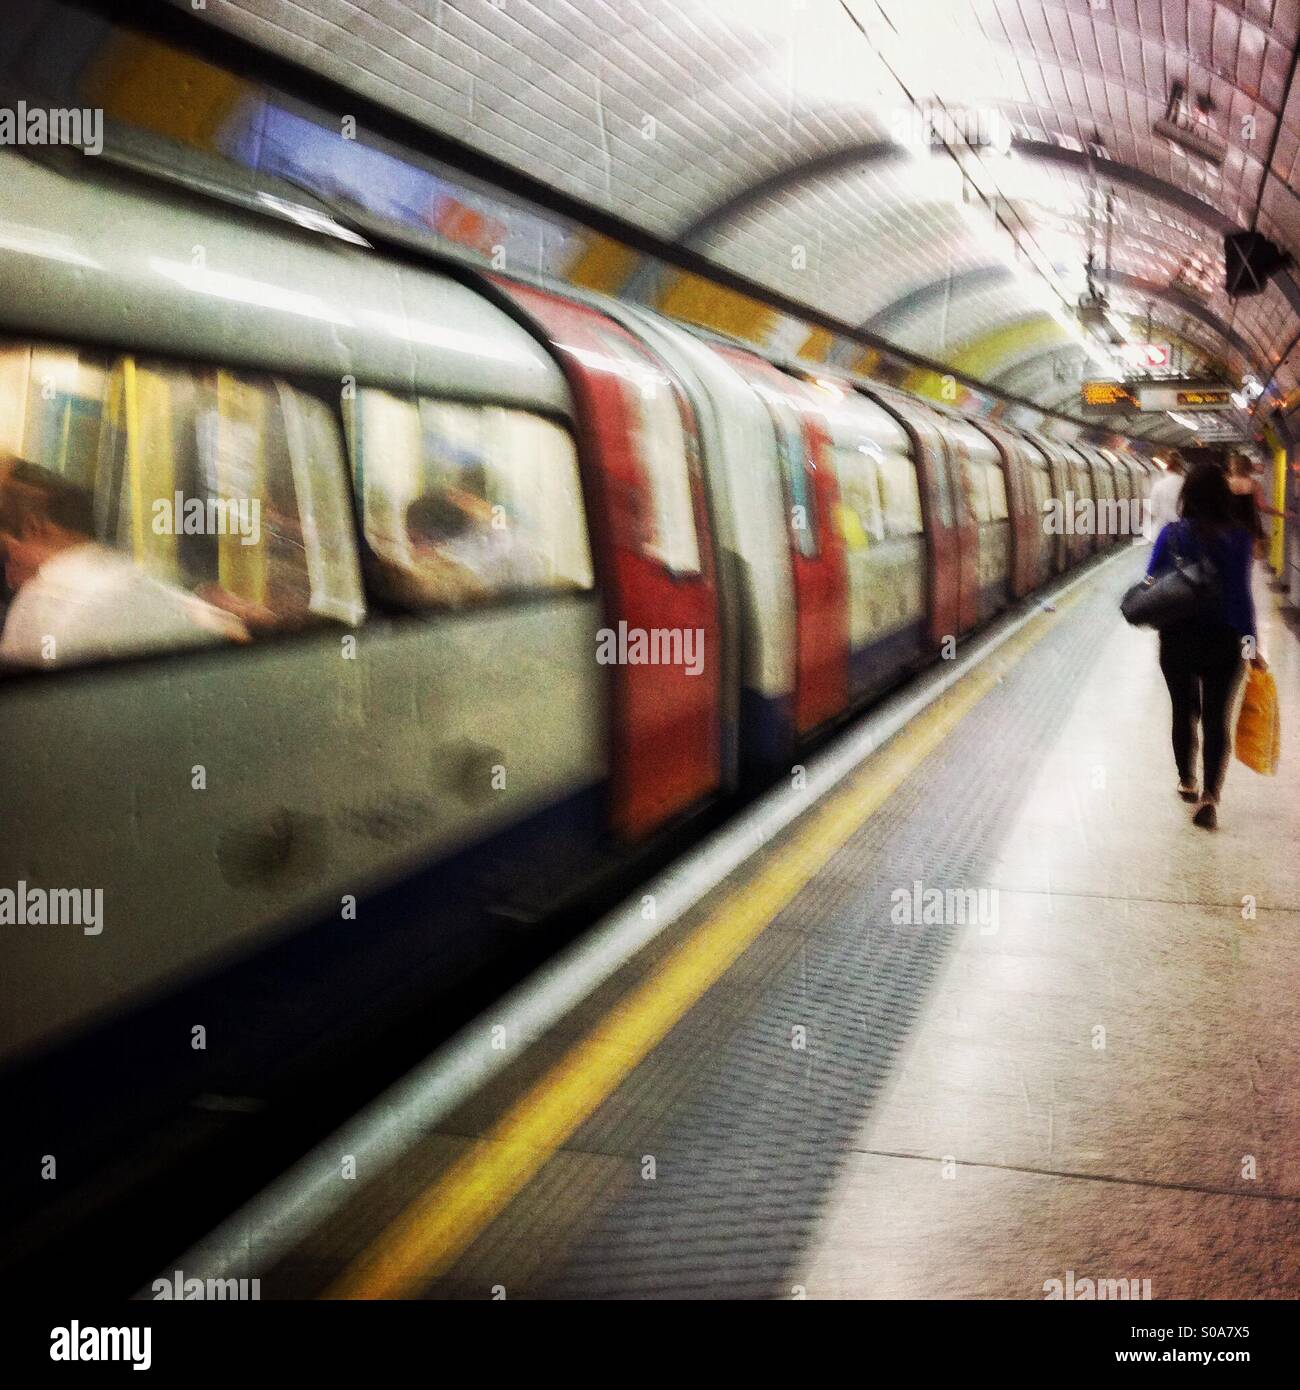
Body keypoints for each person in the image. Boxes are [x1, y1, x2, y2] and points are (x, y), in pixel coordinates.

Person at [0, 458, 247, 670]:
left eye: (9, 555)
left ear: (35, 528)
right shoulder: (136, 577)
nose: (9, 575)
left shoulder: (45, 605)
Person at [1144, 462, 1264, 830]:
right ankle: (1211, 795)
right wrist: (1250, 646)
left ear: (1187, 496)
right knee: (1216, 718)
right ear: (1223, 497)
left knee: (1184, 710)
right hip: (1224, 639)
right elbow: (1242, 597)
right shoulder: (1239, 537)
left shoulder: (1171, 535)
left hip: (1177, 636)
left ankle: (1187, 780)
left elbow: (1151, 580)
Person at [1226, 453, 1266, 557]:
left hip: (1230, 524)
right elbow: (1262, 507)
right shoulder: (1254, 484)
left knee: (1231, 554)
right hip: (1250, 524)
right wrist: (1282, 514)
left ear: (1233, 466)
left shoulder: (1226, 484)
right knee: (1249, 555)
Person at [1145, 450, 1184, 539]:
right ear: (1181, 467)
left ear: (1167, 466)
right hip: (1182, 533)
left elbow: (1153, 510)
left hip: (1161, 533)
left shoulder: (1158, 485)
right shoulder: (1186, 484)